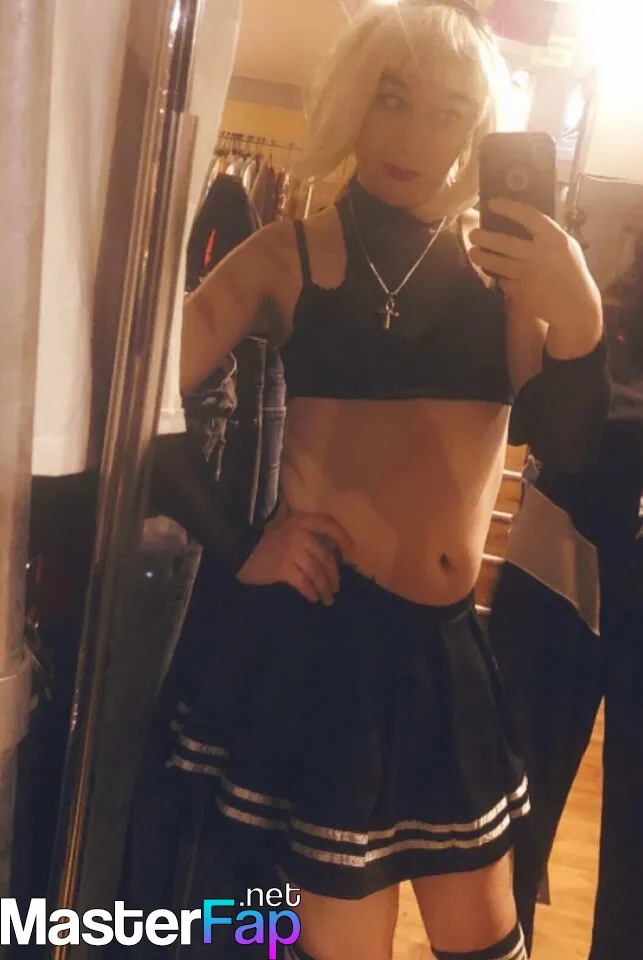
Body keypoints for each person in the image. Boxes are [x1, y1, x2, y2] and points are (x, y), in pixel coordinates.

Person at [152, 2, 609, 958]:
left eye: (447, 113)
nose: (412, 136)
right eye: (392, 100)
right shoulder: (286, 253)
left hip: (445, 653)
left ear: (475, 131)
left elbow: (568, 449)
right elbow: (138, 401)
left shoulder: (503, 275)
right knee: (342, 939)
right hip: (325, 647)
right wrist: (243, 544)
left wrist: (578, 323)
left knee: (486, 937)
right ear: (354, 100)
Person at [488, 230, 643, 959]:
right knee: (511, 809)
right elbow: (531, 411)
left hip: (569, 542)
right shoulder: (588, 297)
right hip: (558, 553)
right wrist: (525, 305)